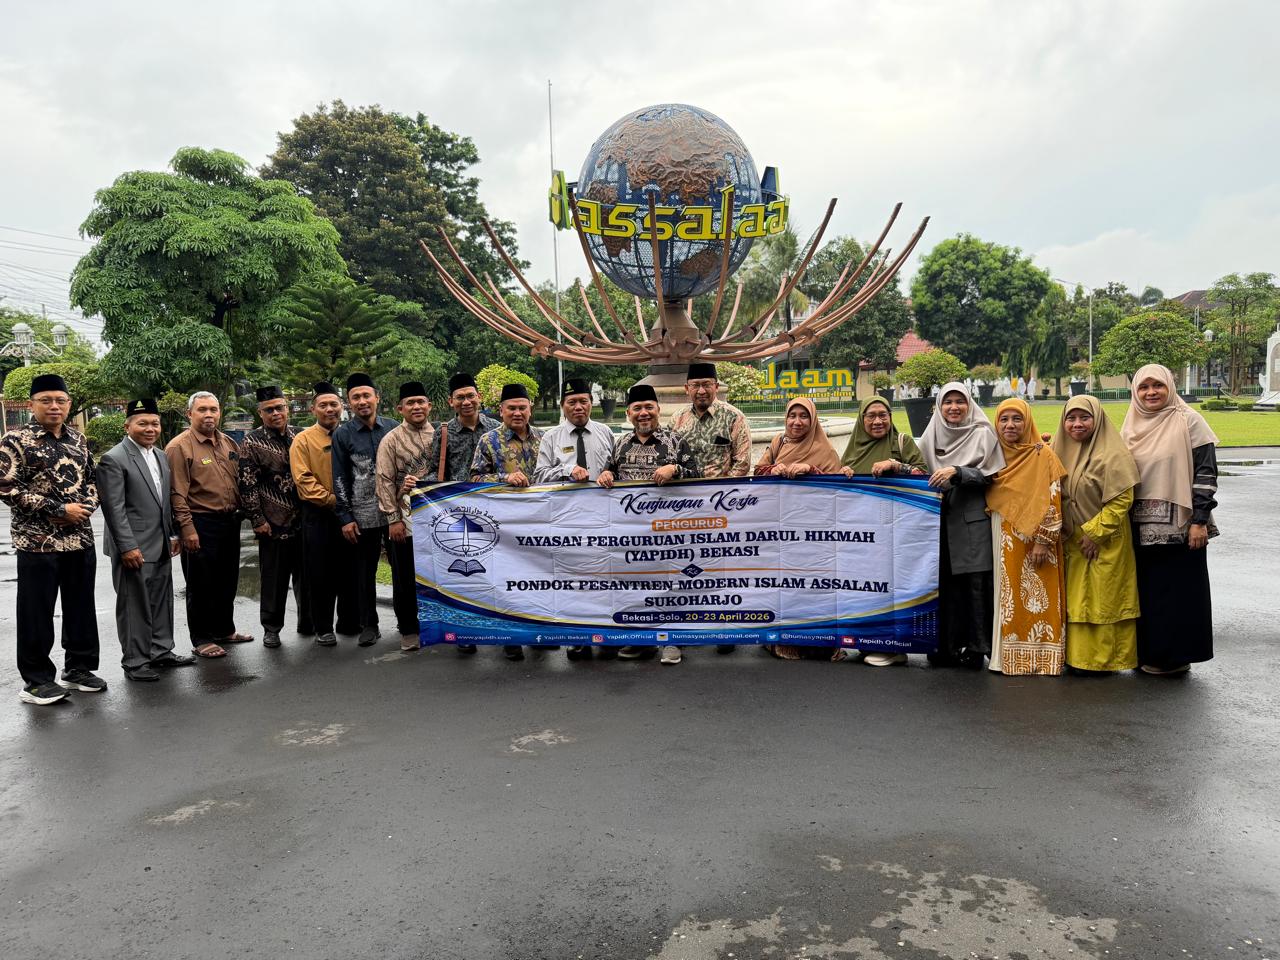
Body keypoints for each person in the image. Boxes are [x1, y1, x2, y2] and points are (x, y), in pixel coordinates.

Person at [0, 373, 103, 704]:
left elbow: (91, 480)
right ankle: (36, 681)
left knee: (81, 608)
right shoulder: (15, 440)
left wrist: (85, 506)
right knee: (36, 611)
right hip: (37, 541)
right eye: (46, 400)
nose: (54, 406)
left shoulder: (78, 439)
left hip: (79, 539)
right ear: (32, 404)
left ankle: (79, 668)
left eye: (60, 400)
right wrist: (56, 508)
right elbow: (6, 486)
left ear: (69, 404)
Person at [1121, 363, 1219, 676]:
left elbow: (1206, 472)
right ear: (1135, 392)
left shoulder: (1189, 421)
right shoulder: (1130, 425)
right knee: (1147, 591)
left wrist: (1199, 520)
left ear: (1169, 386)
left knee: (1179, 593)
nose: (1151, 392)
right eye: (1144, 387)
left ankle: (1176, 657)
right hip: (1138, 525)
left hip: (1182, 525)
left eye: (1157, 386)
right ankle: (1147, 653)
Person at [599, 383, 699, 665]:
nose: (644, 414)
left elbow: (699, 474)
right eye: (638, 409)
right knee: (636, 585)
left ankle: (672, 641)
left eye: (649, 408)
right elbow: (609, 470)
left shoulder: (675, 441)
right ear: (629, 413)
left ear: (658, 410)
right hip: (631, 532)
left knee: (672, 587)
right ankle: (641, 640)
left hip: (669, 532)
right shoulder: (620, 444)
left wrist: (676, 469)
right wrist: (606, 474)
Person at [97, 398, 191, 681]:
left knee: (162, 599)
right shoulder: (114, 458)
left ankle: (160, 651)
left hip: (161, 542)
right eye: (142, 423)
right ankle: (136, 661)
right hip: (133, 547)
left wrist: (173, 534)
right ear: (127, 426)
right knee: (134, 604)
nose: (150, 428)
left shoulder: (160, 456)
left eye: (155, 423)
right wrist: (127, 547)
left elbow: (163, 502)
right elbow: (114, 509)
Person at [752, 396, 848, 662]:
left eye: (803, 416)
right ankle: (784, 642)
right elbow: (757, 472)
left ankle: (823, 644)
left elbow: (841, 490)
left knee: (816, 584)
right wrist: (774, 469)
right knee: (784, 583)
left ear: (813, 419)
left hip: (816, 532)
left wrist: (811, 469)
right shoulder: (777, 443)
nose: (797, 422)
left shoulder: (826, 450)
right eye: (792, 416)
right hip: (782, 529)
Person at [1051, 395, 1141, 673]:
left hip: (1104, 538)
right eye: (1071, 418)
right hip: (1071, 539)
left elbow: (1122, 499)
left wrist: (1095, 533)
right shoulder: (1057, 450)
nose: (1077, 424)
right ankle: (1076, 658)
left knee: (1102, 600)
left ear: (1097, 419)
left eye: (1084, 418)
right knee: (1077, 601)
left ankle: (1103, 661)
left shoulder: (1113, 453)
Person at [839, 395, 929, 666]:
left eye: (883, 415)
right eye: (871, 416)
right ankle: (866, 643)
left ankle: (894, 646)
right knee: (864, 588)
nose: (877, 421)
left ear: (890, 417)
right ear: (861, 419)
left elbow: (923, 477)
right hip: (863, 536)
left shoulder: (902, 443)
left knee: (892, 587)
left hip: (896, 530)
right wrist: (840, 474)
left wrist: (895, 465)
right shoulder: (853, 449)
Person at [920, 382, 1005, 669]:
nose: (954, 407)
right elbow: (919, 471)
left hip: (971, 523)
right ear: (939, 406)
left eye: (960, 401)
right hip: (937, 522)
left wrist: (958, 472)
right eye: (948, 402)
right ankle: (944, 646)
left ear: (969, 405)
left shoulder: (982, 433)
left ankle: (976, 649)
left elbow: (991, 476)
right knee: (943, 585)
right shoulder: (930, 435)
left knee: (974, 587)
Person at [670, 361, 751, 655]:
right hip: (684, 509)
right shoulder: (677, 420)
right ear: (687, 389)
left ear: (716, 387)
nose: (702, 390)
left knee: (721, 569)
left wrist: (719, 499)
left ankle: (724, 628)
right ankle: (685, 626)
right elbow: (670, 459)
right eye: (696, 385)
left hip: (721, 509)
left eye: (707, 384)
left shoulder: (734, 418)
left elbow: (742, 464)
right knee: (685, 567)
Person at [534, 377, 615, 661]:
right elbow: (539, 475)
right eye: (572, 402)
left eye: (583, 401)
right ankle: (578, 637)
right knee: (572, 579)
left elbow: (616, 468)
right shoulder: (551, 437)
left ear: (591, 403)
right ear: (562, 406)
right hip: (567, 520)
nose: (578, 407)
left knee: (604, 577)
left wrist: (610, 474)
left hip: (602, 518)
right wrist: (567, 470)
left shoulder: (606, 432)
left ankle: (606, 635)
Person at [986, 397, 1068, 676]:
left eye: (1017, 419)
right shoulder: (992, 453)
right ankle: (1002, 657)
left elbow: (1053, 498)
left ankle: (1041, 659)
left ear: (1028, 421)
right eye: (1004, 419)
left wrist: (1043, 540)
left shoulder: (1041, 454)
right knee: (1005, 596)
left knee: (1037, 597)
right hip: (1002, 530)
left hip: (1035, 538)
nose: (1010, 425)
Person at [166, 391, 249, 658]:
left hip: (229, 521)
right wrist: (186, 529)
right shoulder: (180, 447)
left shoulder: (227, 443)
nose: (209, 415)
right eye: (202, 410)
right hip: (199, 522)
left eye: (213, 409)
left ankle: (224, 629)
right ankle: (201, 638)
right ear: (190, 414)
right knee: (201, 584)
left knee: (227, 580)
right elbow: (177, 493)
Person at [425, 372, 499, 656]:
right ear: (451, 402)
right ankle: (465, 632)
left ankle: (504, 631)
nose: (466, 402)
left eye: (471, 396)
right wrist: (419, 484)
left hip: (493, 508)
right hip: (457, 513)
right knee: (462, 574)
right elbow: (435, 468)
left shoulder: (495, 427)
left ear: (479, 397)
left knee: (496, 571)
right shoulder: (443, 433)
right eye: (460, 397)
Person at [471, 383, 544, 661]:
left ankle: (539, 634)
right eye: (511, 408)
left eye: (522, 407)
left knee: (538, 580)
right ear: (501, 410)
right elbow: (475, 478)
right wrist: (505, 479)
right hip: (504, 525)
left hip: (539, 523)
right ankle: (511, 637)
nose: (517, 412)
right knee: (508, 582)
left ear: (530, 409)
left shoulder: (543, 438)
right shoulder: (488, 440)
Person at [239, 385, 312, 649]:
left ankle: (308, 622)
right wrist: (257, 520)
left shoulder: (300, 436)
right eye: (269, 410)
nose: (276, 413)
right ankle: (271, 628)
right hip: (273, 524)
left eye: (280, 407)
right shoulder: (252, 442)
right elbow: (247, 484)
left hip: (304, 521)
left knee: (306, 576)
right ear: (261, 414)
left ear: (287, 409)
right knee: (274, 580)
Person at [290, 381, 360, 647]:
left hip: (352, 514)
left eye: (334, 404)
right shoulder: (303, 440)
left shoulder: (350, 434)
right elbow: (303, 480)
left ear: (342, 407)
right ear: (313, 409)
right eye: (323, 405)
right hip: (320, 514)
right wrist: (335, 502)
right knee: (320, 573)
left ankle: (349, 621)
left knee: (350, 569)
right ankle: (323, 627)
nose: (329, 409)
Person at [332, 372, 398, 648]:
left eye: (366, 395)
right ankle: (369, 624)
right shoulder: (343, 434)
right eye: (355, 397)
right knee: (364, 572)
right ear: (349, 403)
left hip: (395, 514)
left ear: (376, 398)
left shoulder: (394, 429)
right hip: (363, 514)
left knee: (402, 569)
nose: (362, 401)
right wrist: (346, 517)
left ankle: (409, 620)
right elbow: (339, 478)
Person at [375, 381, 435, 652]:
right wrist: (393, 519)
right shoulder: (391, 439)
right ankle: (408, 630)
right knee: (405, 576)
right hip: (406, 517)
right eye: (410, 403)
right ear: (400, 408)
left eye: (421, 402)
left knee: (438, 575)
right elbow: (383, 481)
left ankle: (438, 625)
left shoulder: (442, 434)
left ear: (429, 405)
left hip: (437, 518)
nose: (417, 407)